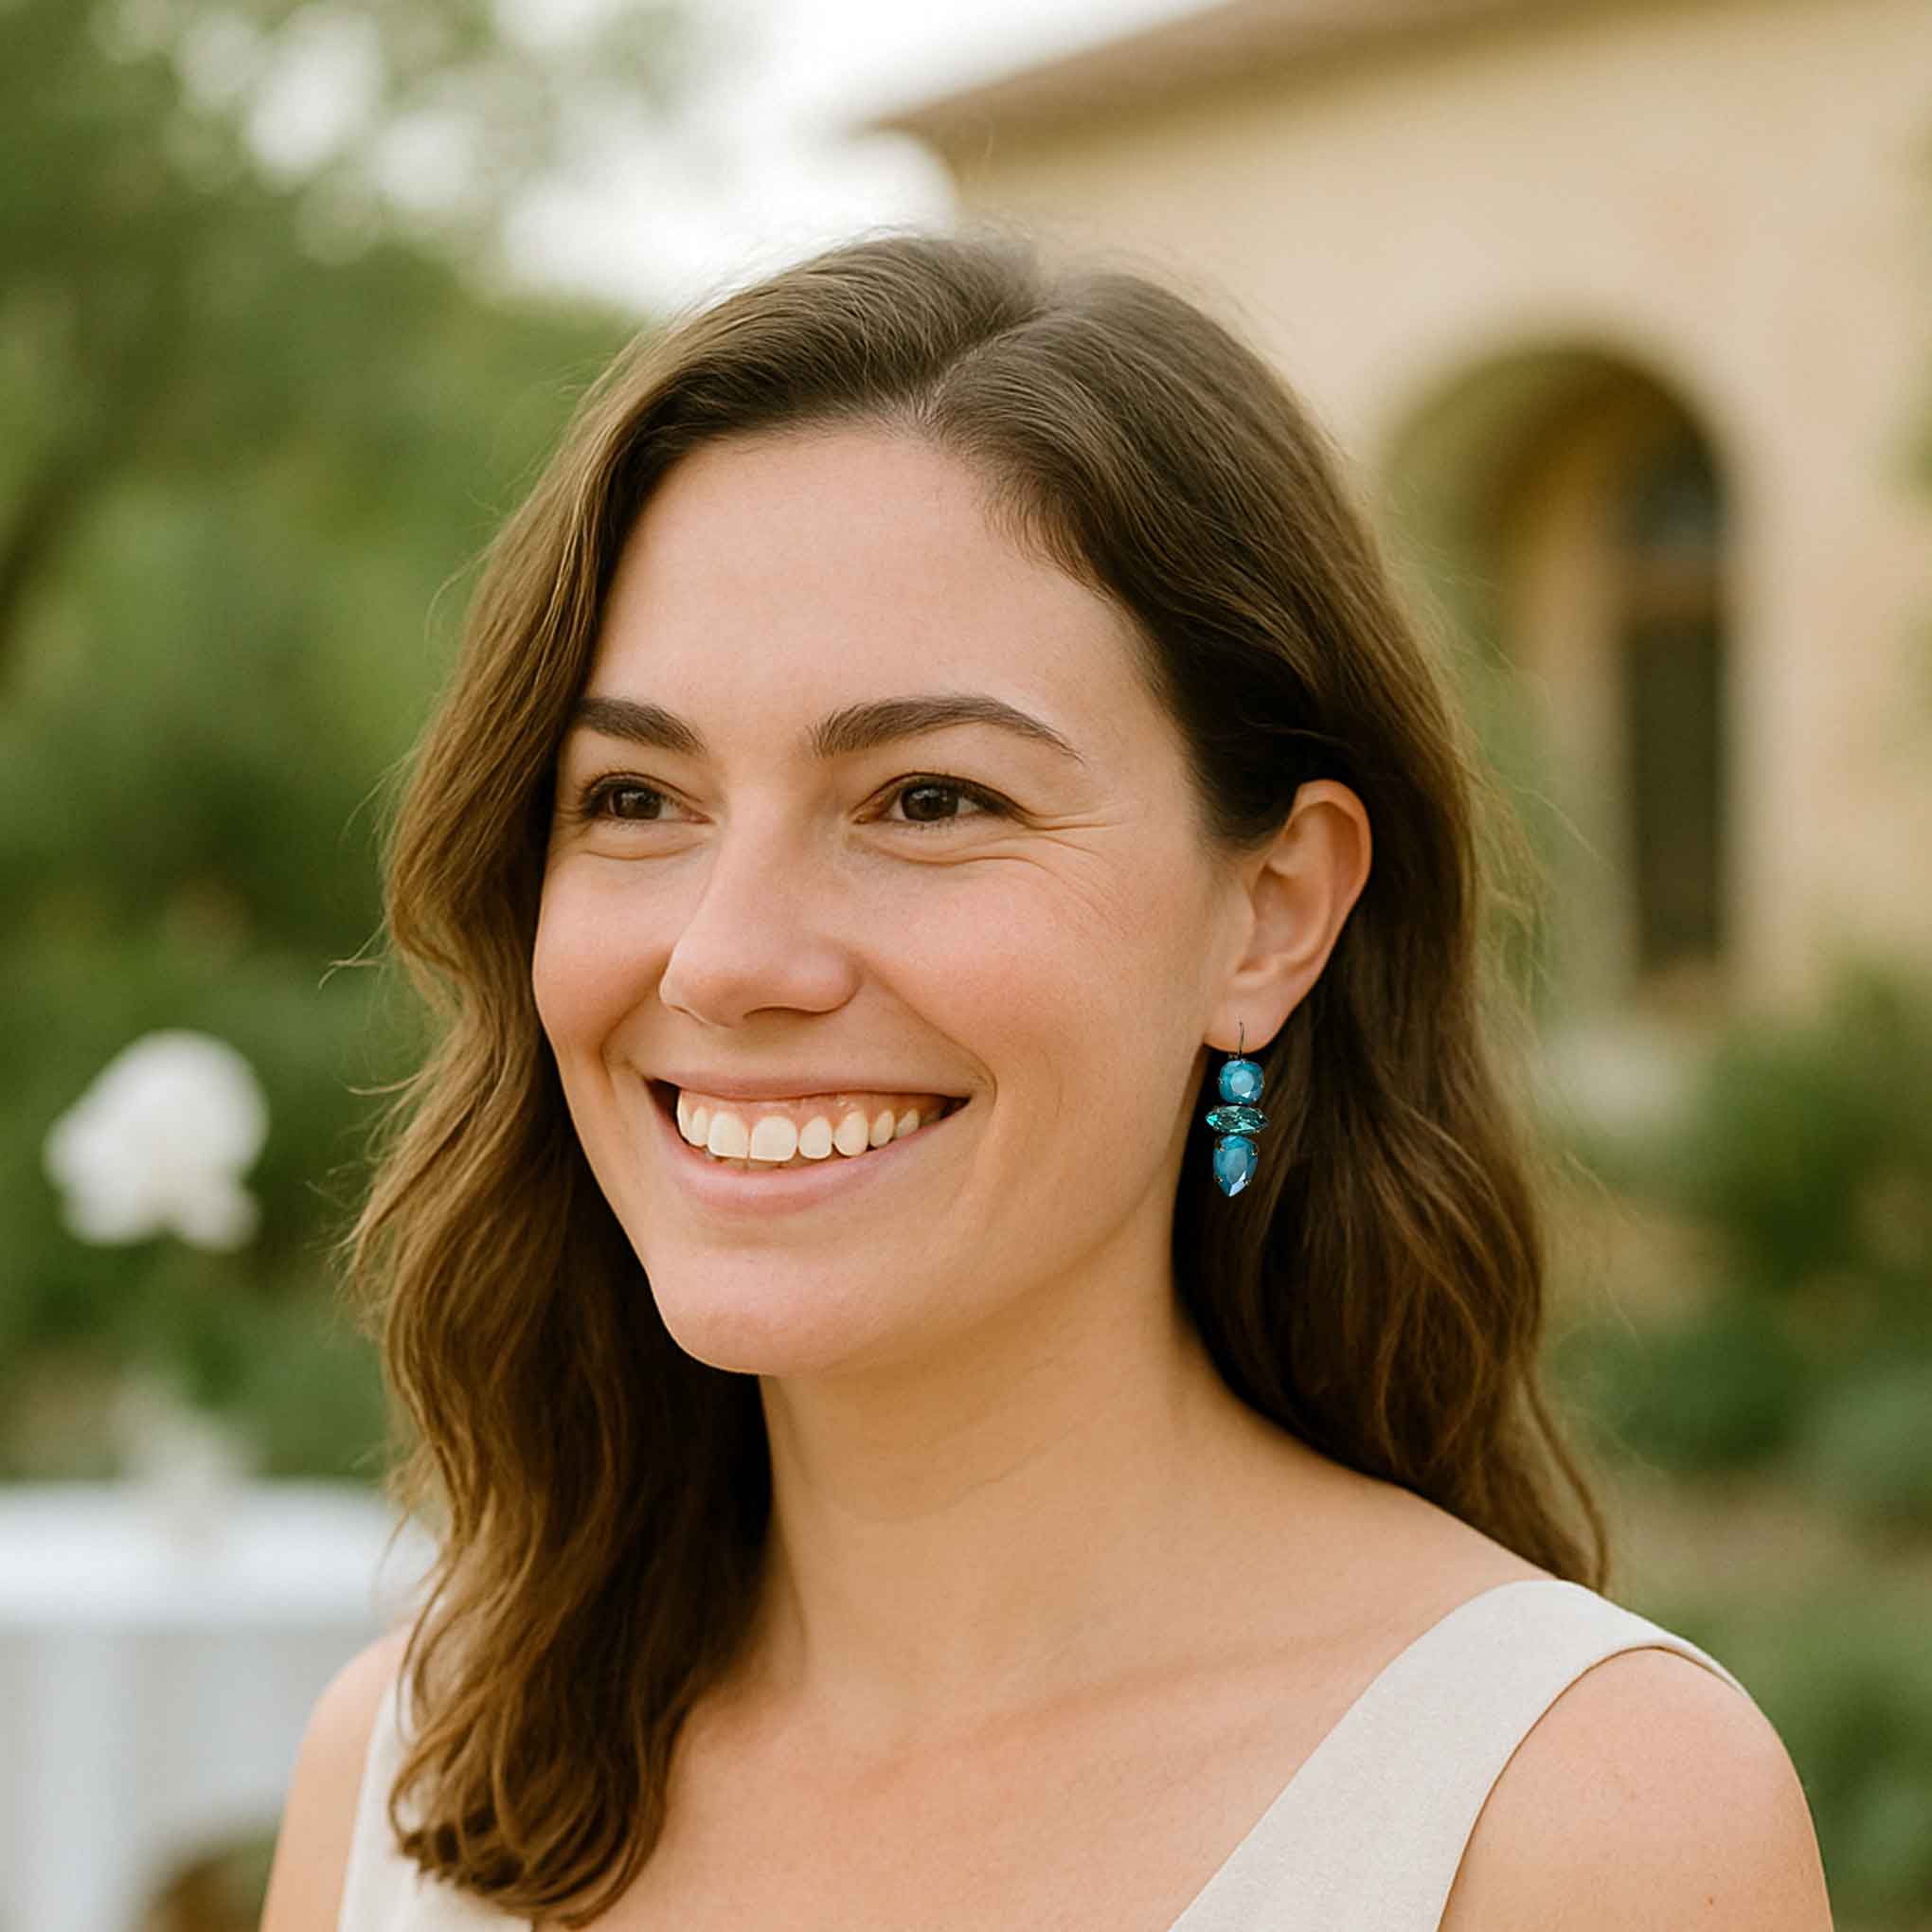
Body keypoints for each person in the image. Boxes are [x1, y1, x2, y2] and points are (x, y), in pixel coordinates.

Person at [260, 226, 1832, 1931]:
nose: (724, 958)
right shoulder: (412, 1780)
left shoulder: (1580, 1823)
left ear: (1271, 910)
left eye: (930, 800)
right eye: (637, 798)